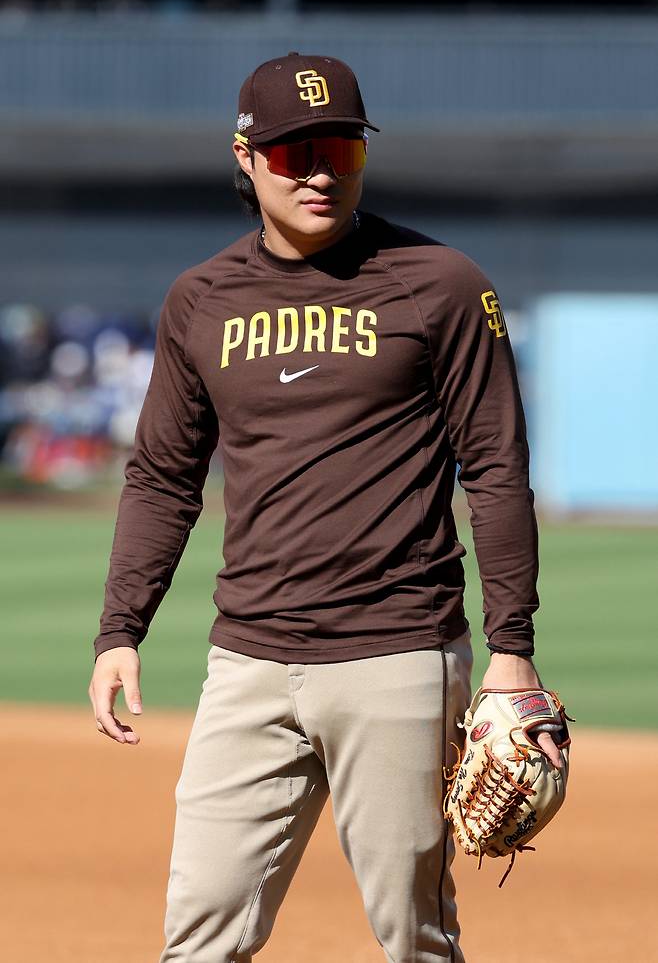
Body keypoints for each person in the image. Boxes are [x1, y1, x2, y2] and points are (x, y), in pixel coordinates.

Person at [88, 51, 562, 963]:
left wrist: (513, 650)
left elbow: (496, 467)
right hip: (248, 663)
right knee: (197, 936)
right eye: (292, 149)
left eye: (340, 149)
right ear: (245, 155)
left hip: (398, 656)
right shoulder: (200, 302)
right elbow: (161, 476)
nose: (317, 170)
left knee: (415, 939)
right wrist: (120, 629)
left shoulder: (444, 285)